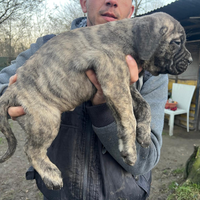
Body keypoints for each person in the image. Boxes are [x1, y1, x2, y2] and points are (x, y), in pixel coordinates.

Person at [0, 0, 168, 199]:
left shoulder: (151, 70)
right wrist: (16, 95)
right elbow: (4, 84)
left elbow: (145, 160)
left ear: (131, 11)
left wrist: (108, 105)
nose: (112, 1)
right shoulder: (47, 46)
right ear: (84, 4)